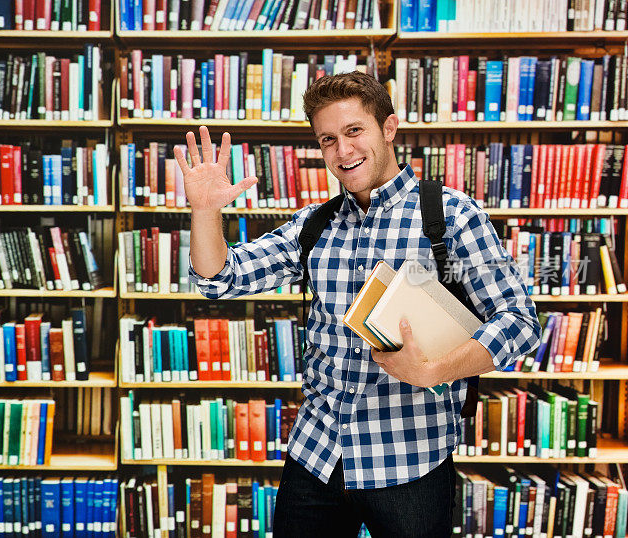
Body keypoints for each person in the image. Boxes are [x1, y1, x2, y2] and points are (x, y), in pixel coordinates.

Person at [173, 71, 541, 537]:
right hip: (316, 456)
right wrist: (205, 211)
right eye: (328, 140)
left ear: (388, 128)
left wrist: (434, 370)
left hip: (412, 460)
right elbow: (219, 280)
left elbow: (520, 321)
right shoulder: (314, 225)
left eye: (353, 132)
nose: (342, 151)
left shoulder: (449, 217)